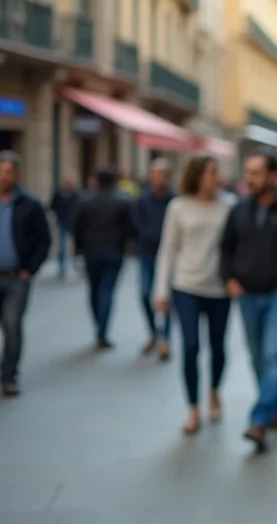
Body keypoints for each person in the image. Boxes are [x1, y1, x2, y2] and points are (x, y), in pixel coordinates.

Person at [220, 153, 277, 452]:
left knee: (273, 355)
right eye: (248, 172)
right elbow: (226, 248)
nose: (249, 179)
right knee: (258, 357)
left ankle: (258, 420)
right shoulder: (239, 210)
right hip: (247, 295)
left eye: (256, 173)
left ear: (273, 176)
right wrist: (229, 278)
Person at [153, 156, 233, 435]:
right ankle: (193, 407)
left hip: (219, 288)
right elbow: (168, 250)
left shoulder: (229, 206)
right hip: (185, 285)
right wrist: (161, 290)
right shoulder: (178, 207)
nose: (217, 177)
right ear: (197, 175)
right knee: (190, 347)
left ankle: (214, 390)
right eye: (212, 172)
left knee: (218, 347)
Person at [0, 152, 51, 397]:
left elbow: (44, 239)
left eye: (8, 171)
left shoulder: (29, 204)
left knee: (12, 325)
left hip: (16, 278)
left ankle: (9, 375)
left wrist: (30, 269)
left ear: (17, 174)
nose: (3, 176)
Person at [73, 167, 137, 349]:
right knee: (106, 291)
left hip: (92, 251)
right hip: (113, 251)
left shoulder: (86, 200)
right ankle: (102, 328)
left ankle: (99, 326)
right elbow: (131, 228)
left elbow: (77, 227)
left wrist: (78, 248)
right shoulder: (122, 201)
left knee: (95, 290)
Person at [135, 159, 174, 359]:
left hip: (168, 256)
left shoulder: (173, 200)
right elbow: (136, 224)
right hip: (147, 254)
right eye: (155, 174)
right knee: (145, 294)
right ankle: (154, 333)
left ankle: (165, 338)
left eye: (161, 174)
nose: (158, 178)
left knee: (166, 298)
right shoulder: (143, 199)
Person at [49, 175, 81, 278]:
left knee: (75, 245)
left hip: (73, 223)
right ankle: (62, 267)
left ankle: (76, 265)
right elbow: (53, 206)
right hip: (62, 222)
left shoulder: (76, 194)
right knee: (62, 246)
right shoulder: (58, 194)